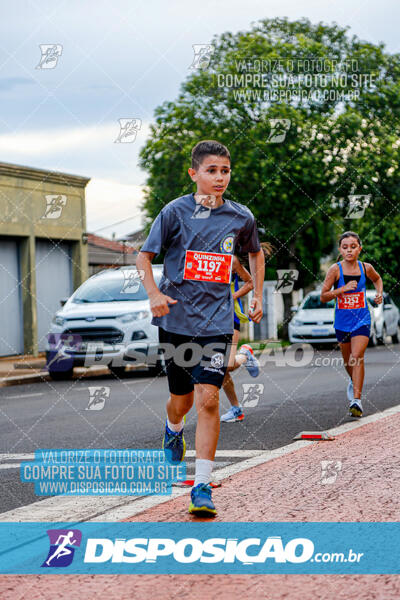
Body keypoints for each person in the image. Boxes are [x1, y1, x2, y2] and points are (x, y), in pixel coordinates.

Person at [136, 140, 265, 516]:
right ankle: (172, 427)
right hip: (176, 320)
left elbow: (255, 253)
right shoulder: (174, 213)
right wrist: (153, 293)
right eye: (212, 170)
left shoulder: (241, 217)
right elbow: (144, 257)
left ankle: (202, 486)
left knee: (209, 398)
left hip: (217, 322)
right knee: (183, 400)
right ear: (194, 174)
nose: (220, 177)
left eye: (225, 170)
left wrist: (256, 294)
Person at [320, 231, 383, 417]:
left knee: (357, 356)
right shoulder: (335, 270)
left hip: (362, 319)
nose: (349, 250)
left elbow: (377, 279)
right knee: (348, 361)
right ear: (340, 249)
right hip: (342, 322)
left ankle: (356, 400)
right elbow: (323, 296)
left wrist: (379, 293)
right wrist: (342, 289)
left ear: (359, 249)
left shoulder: (366, 268)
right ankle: (353, 381)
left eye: (353, 247)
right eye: (345, 247)